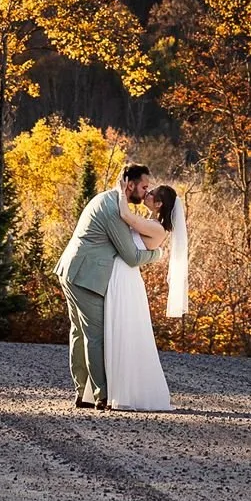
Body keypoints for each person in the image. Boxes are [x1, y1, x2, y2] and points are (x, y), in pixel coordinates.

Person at [54, 162, 161, 409]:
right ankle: (102, 395)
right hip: (86, 277)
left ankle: (82, 393)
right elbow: (132, 256)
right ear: (130, 184)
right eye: (144, 187)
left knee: (79, 332)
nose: (146, 192)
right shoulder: (114, 208)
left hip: (71, 270)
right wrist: (158, 255)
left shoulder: (105, 198)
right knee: (95, 335)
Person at [103, 177, 187, 412]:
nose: (147, 193)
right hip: (121, 274)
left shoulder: (156, 228)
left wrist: (121, 191)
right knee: (118, 329)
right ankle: (115, 390)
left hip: (126, 278)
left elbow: (125, 216)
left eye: (152, 193)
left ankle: (127, 393)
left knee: (125, 332)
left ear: (159, 204)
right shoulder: (151, 222)